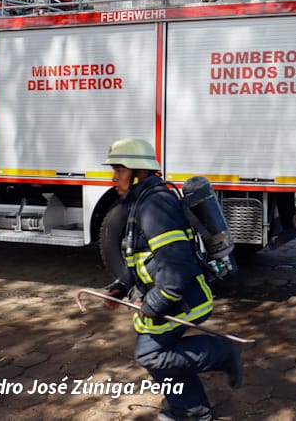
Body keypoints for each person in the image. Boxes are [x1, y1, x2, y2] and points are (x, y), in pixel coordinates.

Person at [101, 138, 243, 421]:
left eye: (119, 169)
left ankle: (222, 352)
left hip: (180, 299)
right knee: (160, 356)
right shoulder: (141, 202)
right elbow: (139, 255)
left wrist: (152, 305)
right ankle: (193, 411)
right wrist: (122, 285)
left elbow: (176, 271)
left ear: (139, 172)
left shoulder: (155, 206)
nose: (113, 177)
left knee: (151, 355)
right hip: (170, 297)